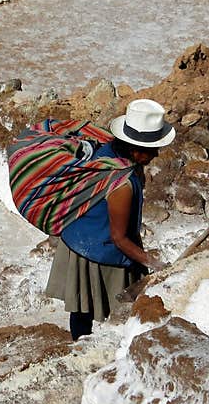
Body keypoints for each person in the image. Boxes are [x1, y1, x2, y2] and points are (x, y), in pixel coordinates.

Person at [45, 98, 175, 341]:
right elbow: (119, 238)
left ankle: (79, 343)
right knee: (109, 309)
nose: (157, 154)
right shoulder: (122, 184)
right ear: (135, 149)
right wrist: (153, 263)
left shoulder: (107, 151)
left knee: (81, 304)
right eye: (152, 149)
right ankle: (90, 347)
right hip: (96, 249)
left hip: (79, 237)